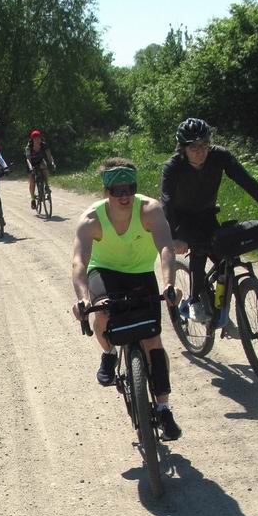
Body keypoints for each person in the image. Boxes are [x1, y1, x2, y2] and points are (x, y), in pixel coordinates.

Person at [71, 158, 182, 440]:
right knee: (103, 312)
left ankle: (165, 409)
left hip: (141, 273)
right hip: (105, 272)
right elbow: (79, 264)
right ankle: (108, 354)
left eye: (129, 188)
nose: (123, 196)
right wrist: (83, 299)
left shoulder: (150, 211)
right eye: (116, 190)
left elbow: (167, 249)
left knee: (152, 340)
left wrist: (169, 284)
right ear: (105, 191)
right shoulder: (91, 220)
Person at [160, 118, 258, 323]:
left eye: (204, 145)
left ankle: (220, 310)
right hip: (180, 217)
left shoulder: (220, 156)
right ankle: (194, 300)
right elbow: (166, 202)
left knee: (224, 255)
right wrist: (173, 238)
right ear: (182, 148)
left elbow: (247, 182)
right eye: (194, 147)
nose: (201, 151)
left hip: (206, 213)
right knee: (200, 247)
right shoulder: (173, 167)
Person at [25, 129, 56, 209]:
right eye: (35, 138)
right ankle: (33, 199)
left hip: (40, 161)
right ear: (32, 139)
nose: (37, 140)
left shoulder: (43, 145)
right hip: (31, 163)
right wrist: (31, 168)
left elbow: (49, 155)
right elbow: (28, 159)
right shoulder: (29, 147)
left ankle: (46, 185)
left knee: (45, 168)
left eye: (38, 138)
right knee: (32, 181)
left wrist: (52, 163)